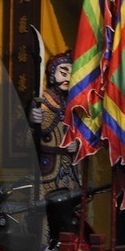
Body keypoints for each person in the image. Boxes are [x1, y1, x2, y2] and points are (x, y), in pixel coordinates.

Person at [31, 52, 80, 197]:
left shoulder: (75, 103)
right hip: (47, 166)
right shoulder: (41, 102)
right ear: (52, 73)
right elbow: (26, 139)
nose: (68, 78)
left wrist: (77, 144)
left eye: (71, 73)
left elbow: (82, 132)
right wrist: (34, 123)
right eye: (63, 72)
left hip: (70, 167)